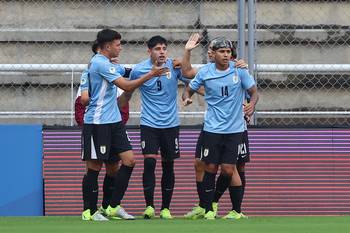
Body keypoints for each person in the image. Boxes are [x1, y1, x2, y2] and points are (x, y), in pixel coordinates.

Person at [80, 29, 169, 221]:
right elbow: (127, 86)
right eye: (118, 44)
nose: (121, 47)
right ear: (108, 46)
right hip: (98, 122)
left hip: (114, 122)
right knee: (94, 167)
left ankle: (112, 206)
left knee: (127, 161)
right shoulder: (99, 63)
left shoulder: (109, 64)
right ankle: (89, 211)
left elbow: (128, 71)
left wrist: (157, 66)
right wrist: (151, 74)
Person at [182, 37, 258, 220]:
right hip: (212, 129)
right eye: (222, 52)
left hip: (235, 129)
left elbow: (254, 92)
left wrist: (252, 105)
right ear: (213, 54)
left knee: (229, 170)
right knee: (209, 166)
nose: (226, 55)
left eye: (228, 52)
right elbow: (188, 89)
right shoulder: (205, 72)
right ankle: (208, 209)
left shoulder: (239, 71)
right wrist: (186, 98)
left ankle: (231, 208)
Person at [126, 35, 189, 219]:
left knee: (168, 165)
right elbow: (128, 88)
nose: (161, 52)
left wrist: (187, 95)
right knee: (149, 162)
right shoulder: (139, 70)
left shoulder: (174, 66)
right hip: (149, 123)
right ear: (149, 51)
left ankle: (166, 208)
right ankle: (149, 206)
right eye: (157, 49)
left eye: (164, 48)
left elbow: (190, 82)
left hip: (171, 124)